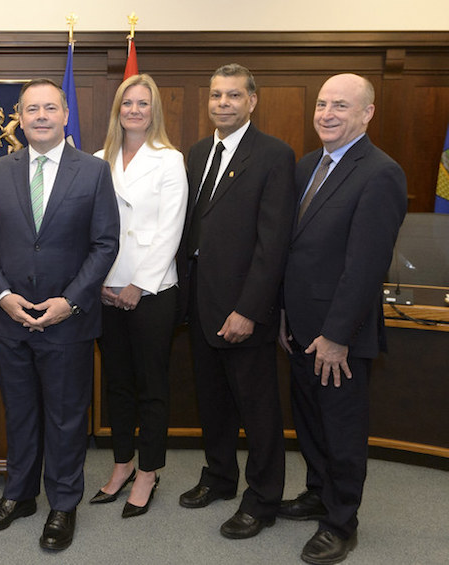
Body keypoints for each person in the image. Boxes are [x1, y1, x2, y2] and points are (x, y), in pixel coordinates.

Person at [0, 78, 119, 551]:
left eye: (49, 108)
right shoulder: (0, 170)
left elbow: (104, 244)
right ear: (19, 117)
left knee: (65, 417)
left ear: (65, 115)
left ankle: (62, 503)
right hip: (10, 317)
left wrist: (70, 301)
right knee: (19, 413)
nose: (40, 116)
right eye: (31, 108)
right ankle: (19, 496)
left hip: (68, 320)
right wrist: (2, 295)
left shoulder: (93, 172)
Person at [278, 74, 406, 565]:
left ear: (367, 113)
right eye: (322, 104)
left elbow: (366, 267)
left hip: (339, 336)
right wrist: (287, 317)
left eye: (341, 106)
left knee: (342, 428)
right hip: (300, 326)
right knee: (309, 422)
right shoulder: (309, 164)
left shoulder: (380, 172)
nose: (327, 114)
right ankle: (317, 493)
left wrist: (335, 337)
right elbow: (298, 250)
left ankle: (341, 522)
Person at [177, 63, 295, 540]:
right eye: (216, 95)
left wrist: (248, 310)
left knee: (257, 409)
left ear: (252, 101)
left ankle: (263, 498)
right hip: (200, 303)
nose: (222, 103)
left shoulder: (274, 155)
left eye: (232, 96)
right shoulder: (199, 151)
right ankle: (220, 477)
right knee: (214, 403)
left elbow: (274, 243)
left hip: (243, 308)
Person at [88, 74, 187, 518]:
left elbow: (171, 230)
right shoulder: (96, 160)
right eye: (127, 103)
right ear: (117, 109)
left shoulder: (169, 160)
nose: (134, 110)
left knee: (151, 385)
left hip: (151, 291)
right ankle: (122, 464)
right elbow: (89, 230)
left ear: (154, 111)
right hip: (105, 289)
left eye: (142, 104)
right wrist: (102, 283)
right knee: (117, 384)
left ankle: (148, 471)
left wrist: (137, 285)